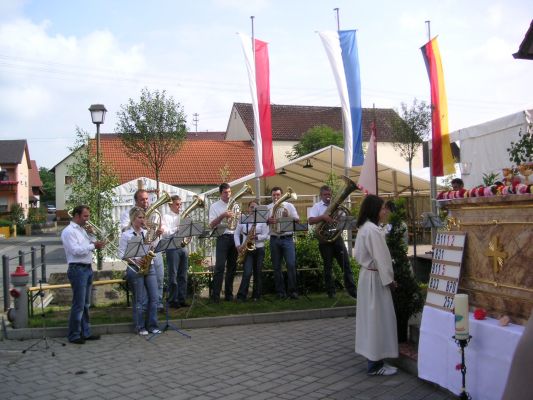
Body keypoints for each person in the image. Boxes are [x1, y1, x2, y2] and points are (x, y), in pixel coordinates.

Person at [354, 194, 398, 376]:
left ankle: (375, 359)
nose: (385, 211)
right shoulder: (372, 230)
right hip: (375, 279)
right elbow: (382, 258)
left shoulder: (366, 227)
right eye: (382, 208)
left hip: (368, 277)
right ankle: (375, 364)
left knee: (371, 320)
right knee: (376, 321)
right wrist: (390, 279)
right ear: (374, 210)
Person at [61, 205, 105, 344]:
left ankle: (85, 332)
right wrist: (93, 246)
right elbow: (76, 251)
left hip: (86, 268)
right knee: (79, 304)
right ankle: (74, 335)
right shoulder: (69, 231)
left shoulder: (82, 230)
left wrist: (92, 235)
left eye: (88, 216)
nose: (88, 219)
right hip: (77, 268)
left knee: (86, 304)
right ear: (77, 216)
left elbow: (89, 244)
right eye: (85, 216)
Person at [308, 185, 356, 299]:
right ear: (321, 195)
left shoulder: (338, 207)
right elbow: (310, 221)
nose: (328, 197)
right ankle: (331, 292)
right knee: (328, 267)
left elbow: (345, 220)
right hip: (324, 240)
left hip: (337, 238)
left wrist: (339, 220)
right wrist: (323, 217)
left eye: (329, 194)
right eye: (325, 195)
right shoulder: (317, 206)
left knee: (346, 265)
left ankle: (352, 291)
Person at [120, 189, 165, 311]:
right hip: (139, 252)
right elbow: (124, 230)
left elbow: (159, 227)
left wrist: (159, 231)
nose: (145, 201)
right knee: (143, 285)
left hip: (154, 249)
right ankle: (144, 308)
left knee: (159, 278)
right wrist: (141, 225)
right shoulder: (127, 213)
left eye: (147, 199)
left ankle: (157, 304)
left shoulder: (155, 213)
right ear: (136, 201)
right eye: (142, 199)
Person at [118, 207, 161, 335]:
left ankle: (152, 325)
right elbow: (121, 254)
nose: (143, 220)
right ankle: (140, 326)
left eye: (144, 217)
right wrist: (135, 261)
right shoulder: (126, 235)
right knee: (141, 299)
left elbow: (154, 247)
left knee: (154, 298)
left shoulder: (145, 232)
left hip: (149, 265)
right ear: (133, 219)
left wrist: (155, 236)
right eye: (140, 218)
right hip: (135, 268)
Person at [267, 186, 300, 300]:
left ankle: (293, 291)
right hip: (274, 238)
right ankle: (280, 292)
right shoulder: (268, 207)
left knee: (291, 265)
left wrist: (288, 217)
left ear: (281, 195)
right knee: (276, 267)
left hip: (287, 239)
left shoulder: (289, 206)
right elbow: (263, 223)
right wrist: (268, 221)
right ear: (271, 196)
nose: (276, 197)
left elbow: (297, 220)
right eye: (274, 195)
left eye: (278, 195)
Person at [234, 200, 269, 301]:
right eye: (251, 207)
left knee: (258, 272)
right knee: (247, 272)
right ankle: (241, 295)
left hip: (259, 247)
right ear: (248, 208)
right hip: (248, 246)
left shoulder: (262, 220)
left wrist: (257, 237)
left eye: (255, 208)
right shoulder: (243, 219)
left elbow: (266, 235)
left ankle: (256, 296)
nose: (253, 209)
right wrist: (238, 246)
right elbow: (236, 234)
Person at [208, 183, 238, 302]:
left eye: (229, 192)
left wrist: (238, 217)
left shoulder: (235, 204)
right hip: (222, 237)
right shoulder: (214, 206)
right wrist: (222, 216)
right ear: (221, 193)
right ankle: (216, 296)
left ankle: (229, 295)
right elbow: (211, 225)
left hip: (234, 237)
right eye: (225, 192)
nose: (228, 195)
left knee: (232, 268)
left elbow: (238, 222)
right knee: (220, 267)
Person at [161, 195, 189, 308]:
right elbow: (165, 233)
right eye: (177, 204)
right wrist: (176, 229)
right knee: (173, 275)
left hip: (183, 246)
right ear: (170, 205)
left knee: (183, 275)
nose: (179, 207)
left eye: (180, 204)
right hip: (172, 247)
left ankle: (182, 299)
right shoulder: (165, 217)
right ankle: (173, 299)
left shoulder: (182, 216)